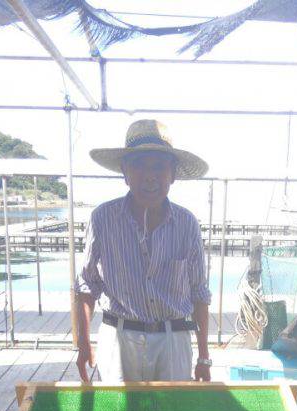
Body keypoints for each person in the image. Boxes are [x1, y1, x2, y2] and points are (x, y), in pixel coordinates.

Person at [75, 119, 212, 383]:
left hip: (174, 340)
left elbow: (199, 292)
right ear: (125, 172)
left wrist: (204, 357)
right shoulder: (102, 218)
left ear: (172, 174)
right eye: (139, 165)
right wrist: (83, 344)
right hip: (118, 336)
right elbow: (86, 284)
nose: (150, 176)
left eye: (159, 166)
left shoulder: (187, 223)